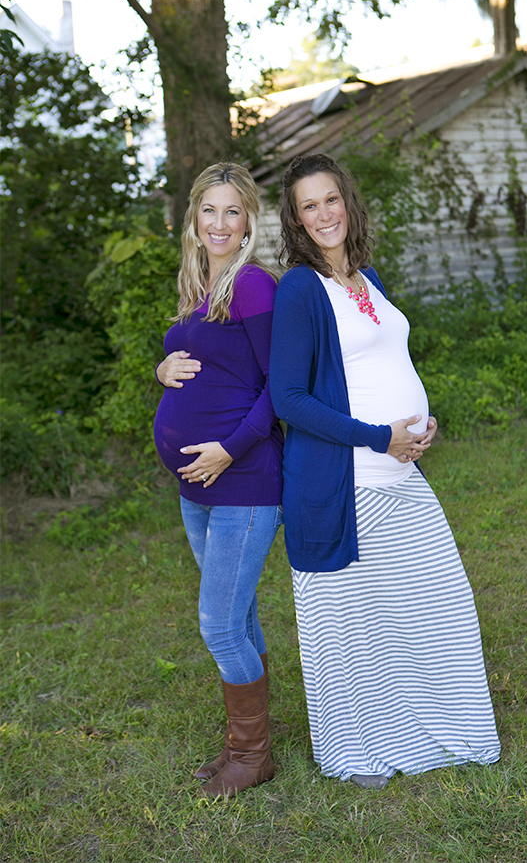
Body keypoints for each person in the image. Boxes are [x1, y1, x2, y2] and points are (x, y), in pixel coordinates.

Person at [269, 153, 500, 789]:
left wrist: (419, 423)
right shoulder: (300, 289)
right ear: (295, 219)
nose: (324, 214)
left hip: (401, 474)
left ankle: (438, 727)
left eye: (331, 199)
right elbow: (288, 398)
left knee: (433, 608)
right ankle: (355, 749)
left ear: (348, 200)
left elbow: (384, 364)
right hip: (346, 486)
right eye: (308, 206)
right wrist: (380, 436)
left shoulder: (366, 277)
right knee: (350, 626)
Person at [153, 162, 284, 798]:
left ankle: (253, 756)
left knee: (220, 625)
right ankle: (244, 746)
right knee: (240, 614)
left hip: (244, 482)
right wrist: (163, 369)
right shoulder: (198, 286)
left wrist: (229, 451)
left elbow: (281, 387)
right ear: (194, 218)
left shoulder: (253, 285)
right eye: (210, 210)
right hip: (195, 489)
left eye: (233, 211)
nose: (220, 223)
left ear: (249, 220)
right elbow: (205, 364)